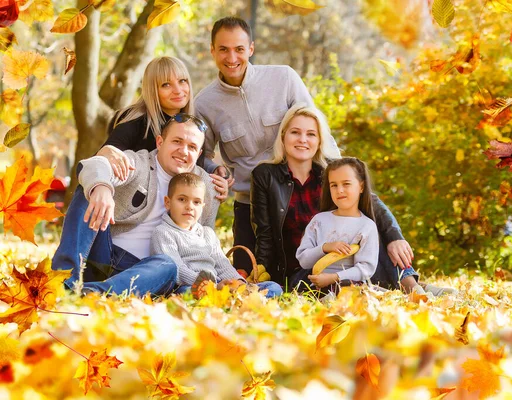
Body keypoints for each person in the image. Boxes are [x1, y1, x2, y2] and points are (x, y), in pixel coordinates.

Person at [251, 104, 455, 296]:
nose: (303, 139)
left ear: (320, 140)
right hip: (306, 267)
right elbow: (265, 233)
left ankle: (412, 286)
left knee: (370, 229)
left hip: (346, 257)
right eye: (295, 132)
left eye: (311, 134)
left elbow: (370, 202)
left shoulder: (331, 171)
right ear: (284, 136)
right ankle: (412, 288)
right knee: (344, 280)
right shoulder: (266, 175)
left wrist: (395, 237)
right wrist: (261, 272)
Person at [194, 16, 339, 272]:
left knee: (313, 271)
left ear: (251, 48)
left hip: (299, 194)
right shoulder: (204, 103)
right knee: (247, 276)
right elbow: (200, 154)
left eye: (239, 49)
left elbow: (315, 129)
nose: (232, 58)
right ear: (212, 51)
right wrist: (218, 170)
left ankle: (404, 275)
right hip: (249, 203)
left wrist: (339, 177)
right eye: (223, 49)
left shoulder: (283, 78)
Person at [51, 114, 218, 296]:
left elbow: (204, 244)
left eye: (192, 147)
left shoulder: (205, 185)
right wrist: (102, 187)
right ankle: (63, 281)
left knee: (167, 264)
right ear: (160, 142)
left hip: (147, 272)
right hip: (104, 255)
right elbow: (92, 165)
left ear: (199, 153)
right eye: (177, 141)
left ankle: (94, 294)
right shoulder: (138, 164)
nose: (184, 151)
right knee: (90, 190)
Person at [98, 56, 227, 199]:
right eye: (166, 84)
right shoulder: (136, 121)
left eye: (182, 81)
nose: (178, 90)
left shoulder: (192, 125)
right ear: (152, 89)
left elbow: (194, 163)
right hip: (130, 205)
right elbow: (108, 154)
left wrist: (214, 173)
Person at [149, 172, 283, 298]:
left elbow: (222, 264)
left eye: (196, 202)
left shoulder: (207, 233)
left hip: (217, 284)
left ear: (202, 206)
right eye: (182, 199)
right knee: (187, 293)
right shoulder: (163, 233)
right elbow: (176, 270)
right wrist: (211, 287)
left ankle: (239, 297)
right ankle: (225, 299)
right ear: (168, 202)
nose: (189, 206)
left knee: (274, 287)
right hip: (187, 285)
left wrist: (238, 282)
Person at [296, 158, 379, 291]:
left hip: (351, 288)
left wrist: (334, 277)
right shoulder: (319, 220)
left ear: (361, 187)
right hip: (317, 287)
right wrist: (325, 247)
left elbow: (366, 268)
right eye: (334, 185)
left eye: (346, 184)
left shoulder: (367, 226)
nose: (339, 190)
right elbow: (304, 261)